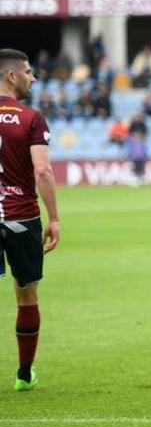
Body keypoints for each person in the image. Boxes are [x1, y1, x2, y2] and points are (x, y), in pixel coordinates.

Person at [0, 48, 61, 391]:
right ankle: (24, 373)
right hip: (22, 216)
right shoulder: (31, 118)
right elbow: (42, 169)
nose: (33, 77)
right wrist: (54, 218)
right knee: (26, 296)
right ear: (12, 76)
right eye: (27, 72)